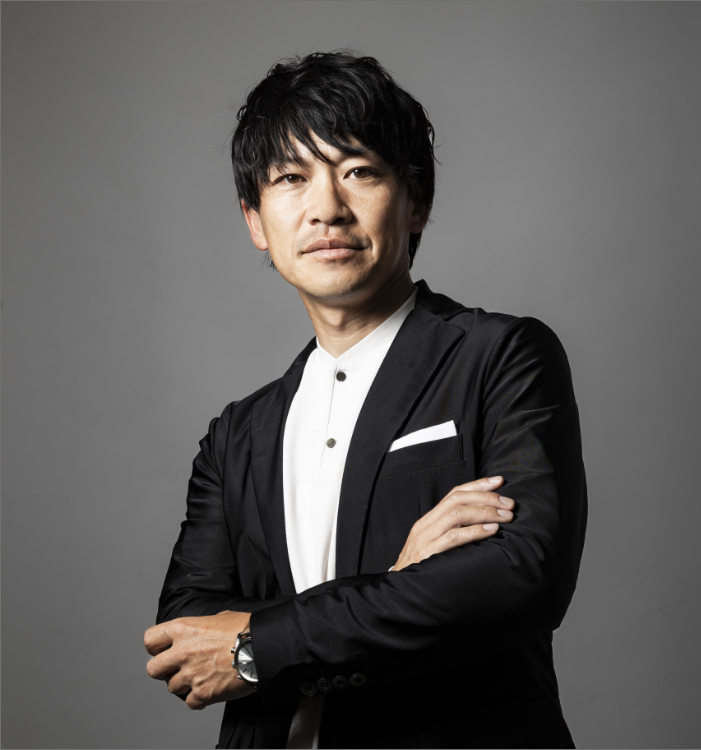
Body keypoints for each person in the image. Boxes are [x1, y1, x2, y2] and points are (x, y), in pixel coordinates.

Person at [144, 50, 587, 749]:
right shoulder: (237, 435)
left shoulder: (500, 357)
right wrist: (395, 579)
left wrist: (258, 646)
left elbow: (521, 578)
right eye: (291, 179)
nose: (326, 208)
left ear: (417, 201)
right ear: (256, 221)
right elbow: (186, 640)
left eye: (359, 172)